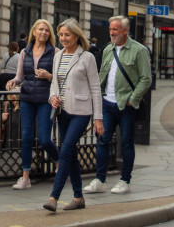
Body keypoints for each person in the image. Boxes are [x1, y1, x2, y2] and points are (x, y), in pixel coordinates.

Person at [83, 16, 151, 196]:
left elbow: (146, 79)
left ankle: (125, 181)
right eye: (111, 29)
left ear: (125, 31)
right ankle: (100, 180)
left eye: (116, 30)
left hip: (126, 105)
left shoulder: (139, 50)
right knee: (102, 140)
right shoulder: (107, 49)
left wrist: (132, 99)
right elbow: (102, 74)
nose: (112, 33)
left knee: (127, 142)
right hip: (107, 103)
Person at [43, 19, 103, 212]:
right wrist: (53, 97)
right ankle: (78, 197)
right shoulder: (57, 55)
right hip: (62, 111)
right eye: (60, 35)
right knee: (71, 154)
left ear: (77, 35)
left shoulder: (87, 57)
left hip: (81, 111)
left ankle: (54, 196)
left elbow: (95, 88)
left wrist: (98, 118)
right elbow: (54, 83)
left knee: (66, 149)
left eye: (67, 35)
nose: (63, 38)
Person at [6, 19, 59, 190]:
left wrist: (48, 76)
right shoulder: (24, 52)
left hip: (45, 99)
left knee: (44, 138)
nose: (44, 33)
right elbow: (20, 76)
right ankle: (25, 176)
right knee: (27, 137)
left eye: (47, 30)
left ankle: (60, 163)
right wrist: (13, 81)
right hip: (27, 97)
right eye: (41, 29)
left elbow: (58, 78)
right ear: (34, 32)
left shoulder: (55, 52)